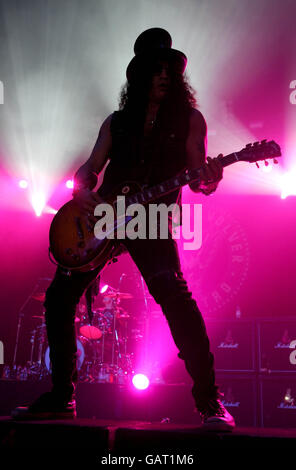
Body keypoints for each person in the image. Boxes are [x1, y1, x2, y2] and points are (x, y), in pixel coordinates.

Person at [12, 28, 235, 430]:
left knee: (175, 299)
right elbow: (89, 168)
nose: (165, 75)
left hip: (149, 219)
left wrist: (211, 178)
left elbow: (201, 179)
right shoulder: (117, 122)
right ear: (141, 75)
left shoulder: (190, 120)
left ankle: (209, 401)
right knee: (59, 298)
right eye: (157, 69)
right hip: (104, 218)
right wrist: (81, 189)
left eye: (171, 69)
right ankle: (62, 397)